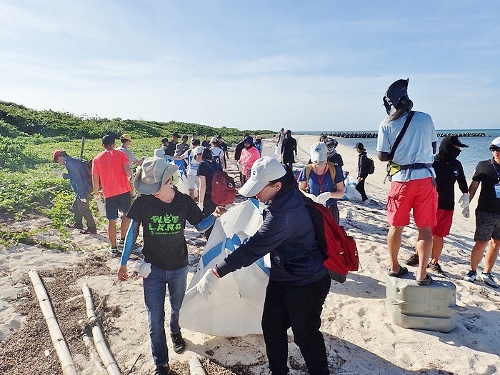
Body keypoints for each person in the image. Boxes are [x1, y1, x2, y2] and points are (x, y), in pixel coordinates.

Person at [195, 157, 331, 375]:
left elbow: (251, 250)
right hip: (282, 277)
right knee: (272, 327)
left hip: (307, 282)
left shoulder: (284, 215)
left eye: (260, 189)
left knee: (305, 335)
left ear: (277, 185)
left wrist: (215, 272)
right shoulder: (285, 194)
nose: (256, 194)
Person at [117, 156, 225, 375]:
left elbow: (200, 225)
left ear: (169, 180)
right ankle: (161, 364)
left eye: (155, 187)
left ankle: (175, 331)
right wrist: (123, 261)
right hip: (152, 270)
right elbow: (132, 232)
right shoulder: (143, 201)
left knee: (177, 308)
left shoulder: (184, 201)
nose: (151, 191)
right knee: (154, 319)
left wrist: (214, 215)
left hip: (178, 267)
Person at [377, 78, 437, 285]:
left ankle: (395, 267)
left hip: (401, 179)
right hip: (425, 178)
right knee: (425, 229)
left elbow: (382, 156)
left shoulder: (386, 124)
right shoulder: (425, 118)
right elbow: (433, 148)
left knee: (396, 227)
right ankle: (422, 273)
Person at [406, 136, 469, 275]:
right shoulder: (432, 162)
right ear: (448, 147)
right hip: (429, 203)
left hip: (447, 205)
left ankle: (434, 262)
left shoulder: (456, 164)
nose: (458, 151)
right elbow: (419, 179)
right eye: (456, 148)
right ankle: (418, 255)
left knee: (439, 235)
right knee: (425, 232)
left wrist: (466, 196)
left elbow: (462, 180)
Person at [463, 137, 500, 288]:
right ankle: (472, 271)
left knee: (496, 243)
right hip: (485, 211)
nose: (496, 152)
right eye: (493, 149)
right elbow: (473, 186)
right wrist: (467, 203)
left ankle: (487, 273)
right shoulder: (483, 165)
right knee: (481, 243)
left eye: (499, 149)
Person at [92, 134, 132, 256]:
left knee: (112, 221)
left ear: (102, 145)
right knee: (126, 215)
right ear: (114, 144)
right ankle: (123, 239)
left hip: (109, 193)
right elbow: (127, 172)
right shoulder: (121, 154)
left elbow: (95, 179)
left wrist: (97, 193)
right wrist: (130, 179)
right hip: (124, 190)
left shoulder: (97, 159)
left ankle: (113, 247)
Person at [298, 142, 345, 223]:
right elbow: (300, 189)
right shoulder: (306, 169)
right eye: (316, 160)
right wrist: (307, 195)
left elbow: (341, 192)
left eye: (321, 159)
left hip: (330, 209)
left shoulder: (335, 169)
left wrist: (329, 195)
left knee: (331, 234)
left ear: (327, 154)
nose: (318, 162)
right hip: (312, 209)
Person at [52, 150, 97, 234]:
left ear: (59, 157)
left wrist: (81, 195)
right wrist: (62, 175)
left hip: (84, 188)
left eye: (57, 161)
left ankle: (92, 228)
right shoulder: (72, 160)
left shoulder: (69, 163)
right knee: (75, 206)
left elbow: (78, 180)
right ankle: (78, 224)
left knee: (83, 209)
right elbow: (75, 175)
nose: (58, 163)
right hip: (85, 185)